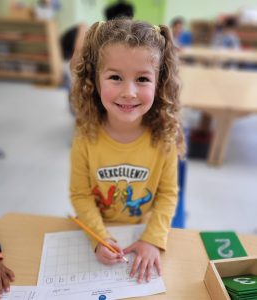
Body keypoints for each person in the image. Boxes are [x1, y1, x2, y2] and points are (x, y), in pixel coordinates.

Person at [70, 18, 185, 283]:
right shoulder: (85, 138)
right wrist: (99, 237)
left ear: (159, 82)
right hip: (100, 230)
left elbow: (167, 195)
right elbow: (80, 194)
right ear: (95, 81)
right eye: (115, 77)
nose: (129, 92)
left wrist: (153, 240)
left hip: (142, 231)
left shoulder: (163, 139)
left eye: (142, 79)